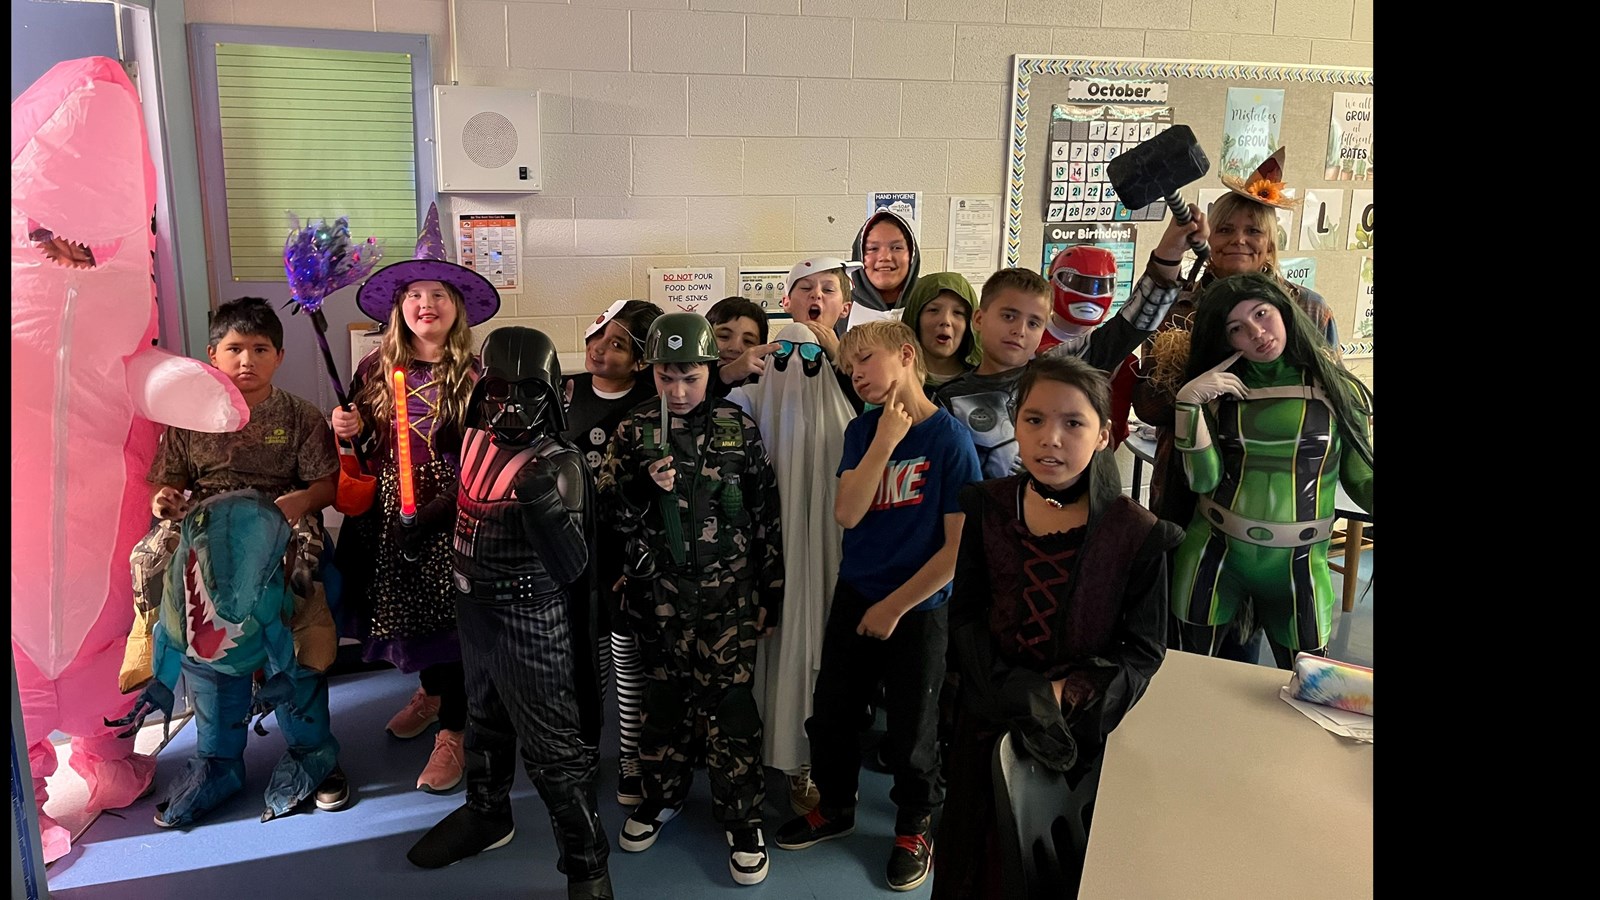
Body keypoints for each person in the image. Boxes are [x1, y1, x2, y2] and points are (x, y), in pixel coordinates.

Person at [934, 356, 1181, 899]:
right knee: (973, 862)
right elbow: (967, 614)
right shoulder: (988, 507)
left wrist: (1066, 693)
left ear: (1103, 435)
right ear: (1015, 424)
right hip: (988, 718)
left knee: (1051, 869)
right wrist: (1008, 690)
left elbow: (1143, 649)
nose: (1051, 438)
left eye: (1073, 423)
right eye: (1034, 420)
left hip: (1076, 734)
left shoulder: (1135, 533)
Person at [406, 327, 613, 900]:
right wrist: (424, 523)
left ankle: (588, 867)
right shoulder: (475, 440)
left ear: (553, 393)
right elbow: (463, 495)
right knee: (484, 722)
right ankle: (487, 812)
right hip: (473, 609)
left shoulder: (560, 464)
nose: (512, 405)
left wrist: (544, 501)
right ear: (482, 391)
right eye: (498, 390)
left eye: (528, 391)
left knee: (555, 753)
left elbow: (573, 566)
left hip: (530, 620)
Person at [775, 320, 981, 893]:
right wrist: (886, 441)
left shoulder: (950, 441)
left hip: (918, 606)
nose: (856, 374)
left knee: (914, 730)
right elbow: (847, 512)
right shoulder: (863, 431)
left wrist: (895, 606)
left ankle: (914, 827)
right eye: (849, 368)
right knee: (832, 712)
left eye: (865, 360)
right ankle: (836, 807)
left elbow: (957, 550)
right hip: (857, 593)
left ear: (907, 355)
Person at [127, 296, 347, 826]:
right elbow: (166, 483)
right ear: (213, 354)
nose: (247, 359)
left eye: (260, 349)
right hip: (204, 527)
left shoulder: (300, 416)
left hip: (280, 522)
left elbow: (325, 485)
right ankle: (216, 759)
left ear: (279, 355)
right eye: (235, 348)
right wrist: (164, 501)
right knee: (159, 577)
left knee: (300, 612)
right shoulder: (187, 417)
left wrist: (303, 499)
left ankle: (312, 751)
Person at [1130, 150, 1342, 661]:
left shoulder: (1307, 310)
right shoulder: (1180, 307)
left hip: (1281, 507)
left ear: (1271, 242)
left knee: (1256, 650)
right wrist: (1190, 386)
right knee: (1189, 633)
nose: (1239, 240)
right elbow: (1149, 406)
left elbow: (1334, 409)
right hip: (1188, 489)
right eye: (1226, 229)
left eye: (1253, 230)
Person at [599, 314, 784, 886]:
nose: (678, 391)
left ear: (710, 371)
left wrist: (772, 589)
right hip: (659, 597)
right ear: (652, 372)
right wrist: (638, 487)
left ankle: (742, 816)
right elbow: (606, 518)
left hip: (730, 597)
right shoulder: (633, 431)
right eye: (666, 377)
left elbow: (764, 513)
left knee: (733, 709)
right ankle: (661, 798)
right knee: (664, 704)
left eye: (691, 378)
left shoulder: (738, 427)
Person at [331, 203, 500, 793]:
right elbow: (366, 449)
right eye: (415, 295)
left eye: (439, 295)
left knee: (450, 626)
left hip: (451, 513)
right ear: (399, 307)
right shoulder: (374, 369)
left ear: (458, 308)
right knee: (407, 618)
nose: (427, 304)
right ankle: (430, 694)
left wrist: (441, 507)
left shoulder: (477, 377)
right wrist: (348, 432)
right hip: (389, 515)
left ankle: (454, 730)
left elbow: (483, 456)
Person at [1169, 273, 1374, 669]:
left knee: (1310, 688)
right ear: (1225, 338)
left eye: (1261, 313)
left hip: (1300, 564)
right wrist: (1188, 404)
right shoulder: (1216, 390)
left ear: (1284, 310)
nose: (1257, 333)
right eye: (1237, 328)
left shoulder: (1337, 389)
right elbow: (1202, 480)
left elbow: (1361, 478)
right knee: (1188, 679)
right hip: (1213, 553)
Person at [726, 321, 857, 817]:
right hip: (757, 563)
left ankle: (809, 763)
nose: (796, 369)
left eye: (810, 359)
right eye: (782, 356)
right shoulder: (743, 406)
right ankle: (753, 760)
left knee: (816, 661)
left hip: (823, 565)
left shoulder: (848, 417)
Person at [561, 298, 663, 807]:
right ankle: (585, 748)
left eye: (618, 344)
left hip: (628, 550)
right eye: (599, 334)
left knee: (628, 657)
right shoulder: (565, 391)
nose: (601, 349)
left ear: (641, 361)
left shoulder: (654, 399)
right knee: (587, 654)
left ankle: (630, 755)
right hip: (575, 547)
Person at [933, 268, 1052, 479]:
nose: (1020, 330)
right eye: (1009, 316)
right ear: (979, 319)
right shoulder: (949, 399)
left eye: (1033, 323)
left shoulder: (1057, 388)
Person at [900, 272, 981, 396]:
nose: (945, 321)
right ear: (915, 317)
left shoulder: (985, 383)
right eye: (933, 310)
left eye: (958, 312)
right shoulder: (892, 379)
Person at [848, 209, 922, 320]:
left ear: (912, 255)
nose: (885, 257)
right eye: (873, 248)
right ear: (859, 256)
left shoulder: (933, 303)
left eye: (897, 248)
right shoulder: (839, 309)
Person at [706, 295, 770, 383]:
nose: (735, 348)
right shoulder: (689, 378)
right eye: (724, 336)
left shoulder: (765, 384)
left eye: (748, 341)